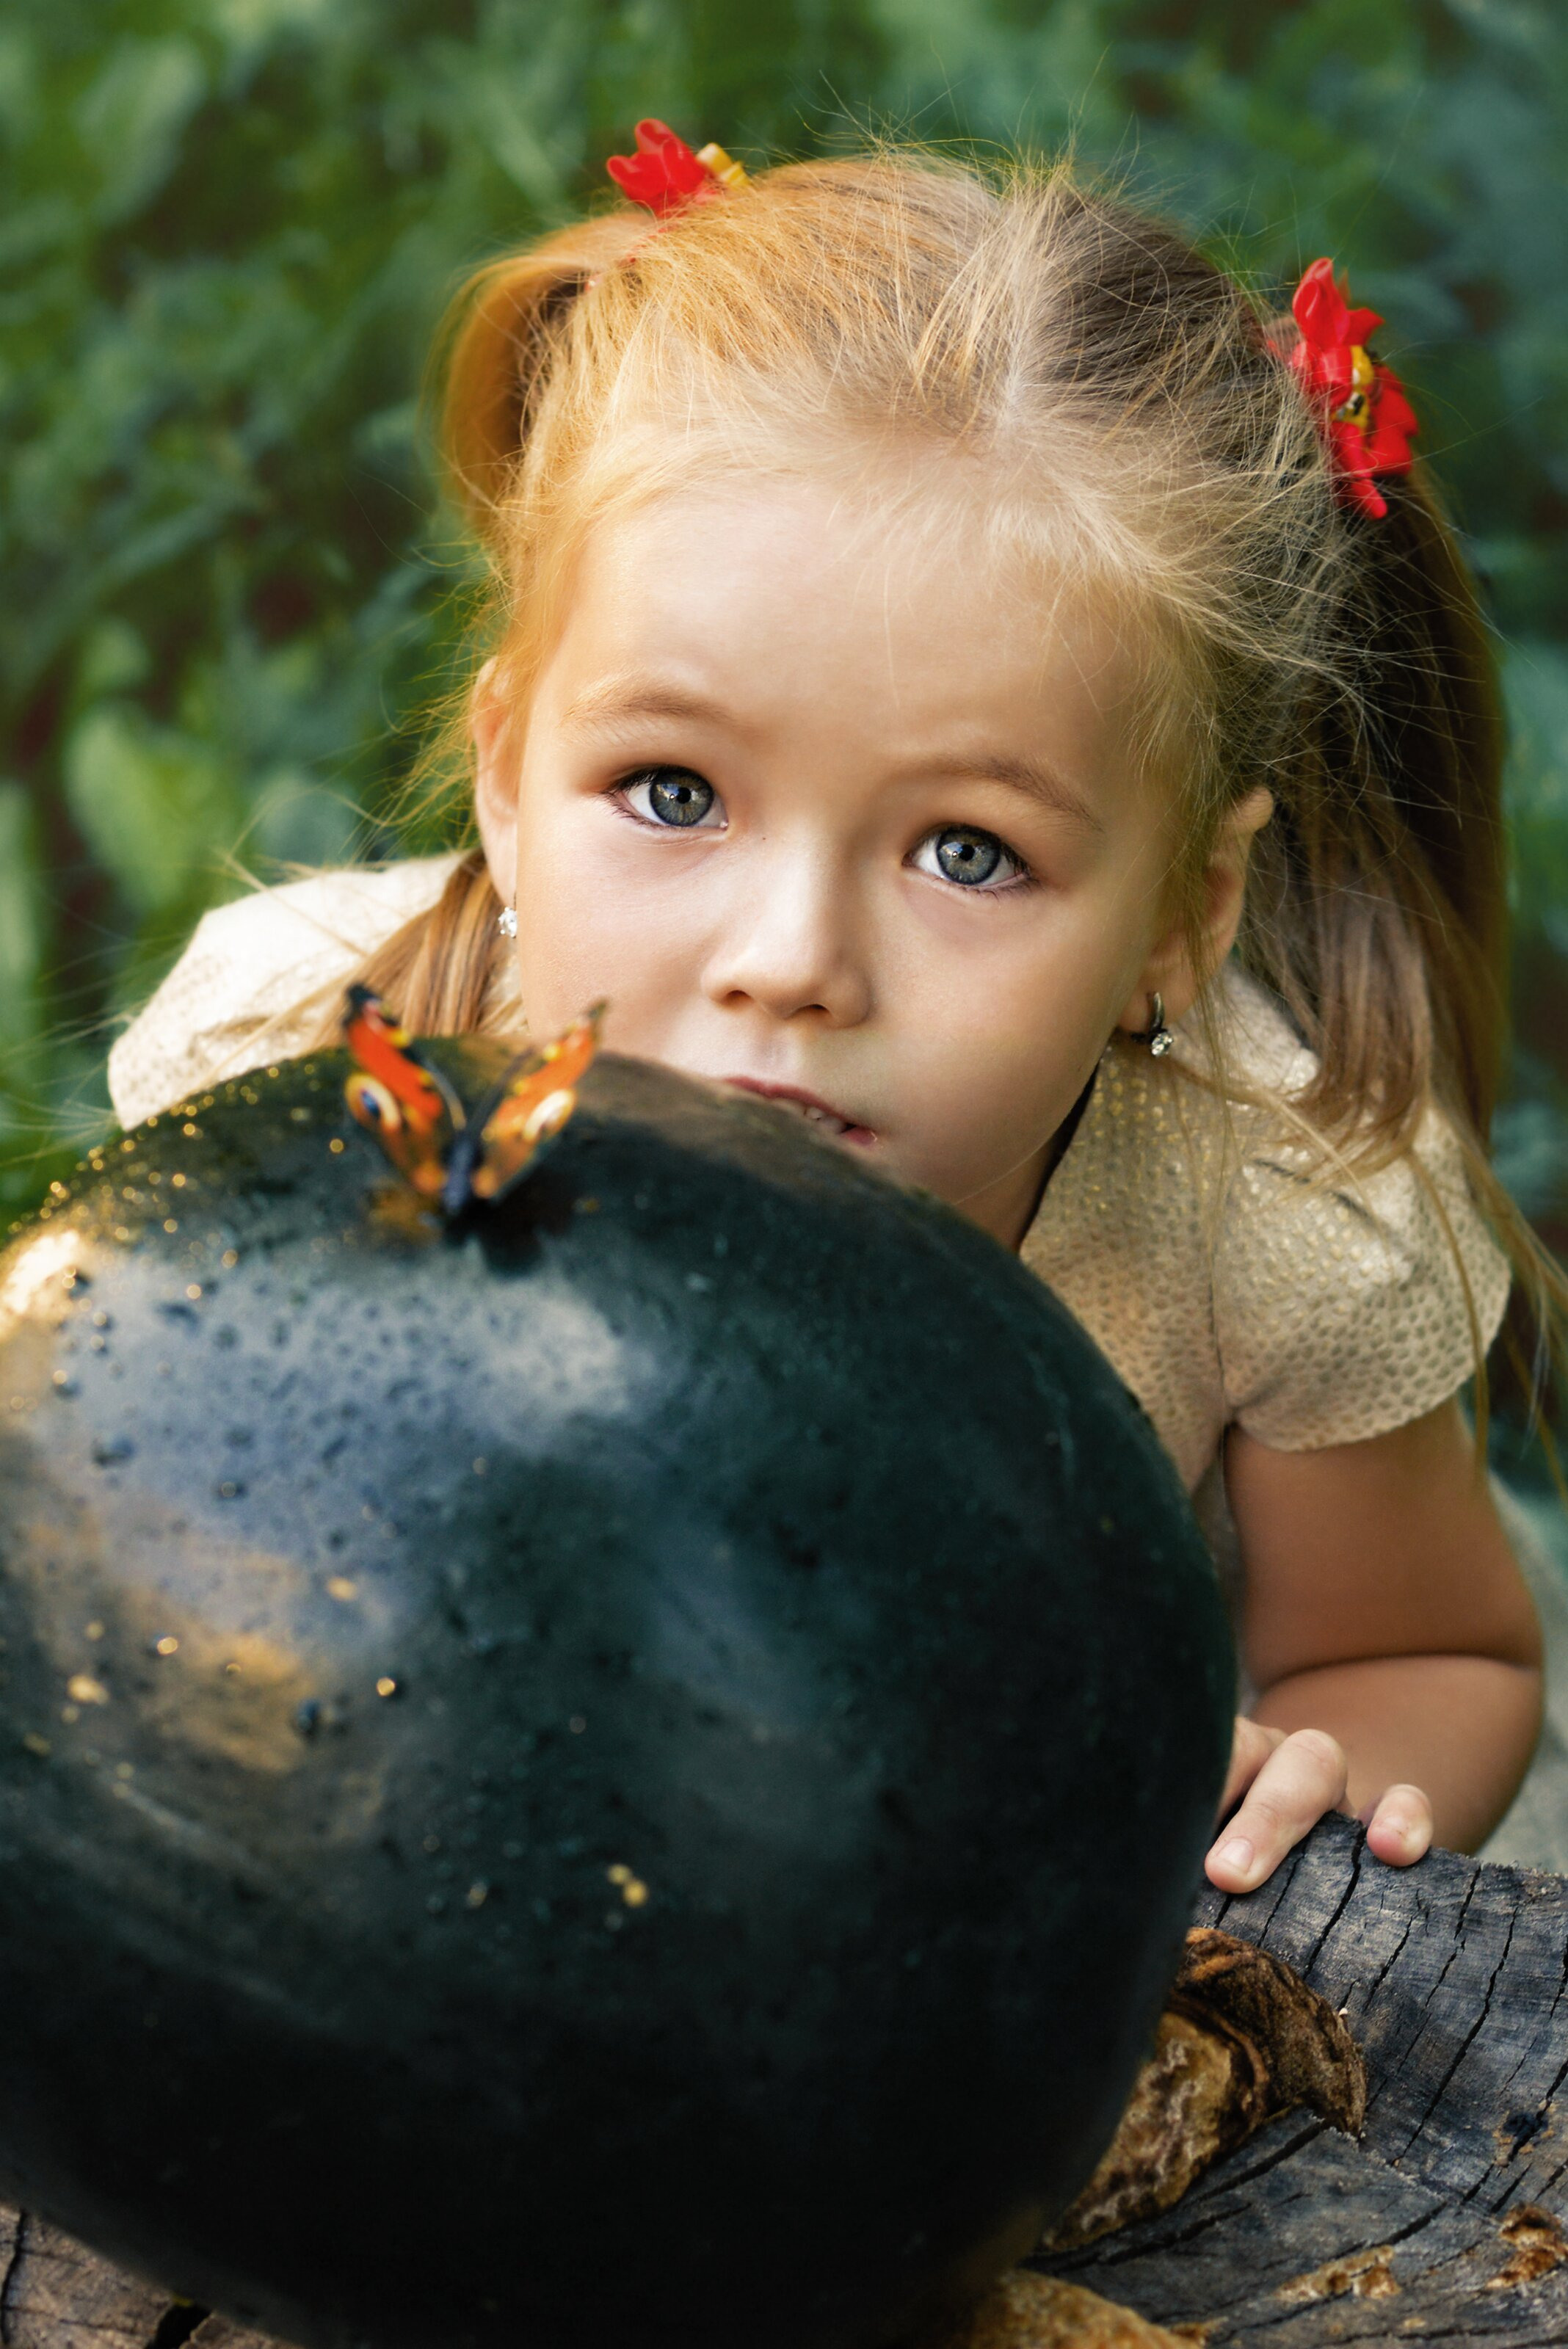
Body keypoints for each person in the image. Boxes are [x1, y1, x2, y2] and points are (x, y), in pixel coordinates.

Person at [108, 130, 1562, 1891]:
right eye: (670, 792)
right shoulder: (324, 1074)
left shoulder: (1261, 1214)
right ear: (505, 776)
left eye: (967, 849)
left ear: (1186, 916)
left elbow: (1423, 1655)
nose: (791, 960)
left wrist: (1296, 1825)